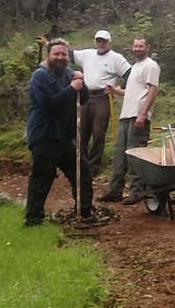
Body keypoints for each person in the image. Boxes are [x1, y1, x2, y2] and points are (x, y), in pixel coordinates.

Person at [24, 38, 97, 226]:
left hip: (64, 139)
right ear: (49, 55)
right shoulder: (40, 76)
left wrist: (82, 82)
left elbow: (83, 99)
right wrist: (72, 89)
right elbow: (49, 105)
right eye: (56, 54)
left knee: (82, 172)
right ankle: (33, 220)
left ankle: (84, 212)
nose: (60, 57)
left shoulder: (69, 74)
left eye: (64, 54)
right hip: (45, 136)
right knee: (43, 178)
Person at [99, 38, 160, 206]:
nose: (138, 49)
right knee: (119, 155)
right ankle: (114, 191)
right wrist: (116, 90)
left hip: (138, 117)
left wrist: (142, 114)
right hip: (125, 116)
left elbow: (153, 91)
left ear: (148, 47)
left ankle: (136, 191)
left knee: (135, 155)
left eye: (141, 46)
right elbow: (132, 92)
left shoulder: (151, 66)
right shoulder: (134, 68)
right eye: (135, 46)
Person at [69, 30, 132, 176]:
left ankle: (93, 165)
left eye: (104, 41)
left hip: (103, 98)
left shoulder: (116, 58)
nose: (101, 43)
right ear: (95, 41)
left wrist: (119, 89)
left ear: (109, 42)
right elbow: (69, 54)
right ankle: (81, 163)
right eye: (98, 41)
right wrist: (48, 44)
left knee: (98, 133)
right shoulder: (87, 54)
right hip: (85, 95)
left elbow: (129, 73)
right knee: (81, 131)